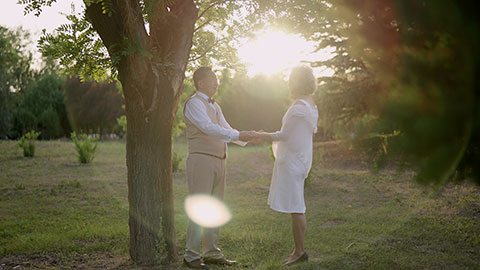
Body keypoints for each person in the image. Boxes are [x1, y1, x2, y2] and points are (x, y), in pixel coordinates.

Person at [183, 66, 254, 269]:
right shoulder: (194, 104)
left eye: (216, 78)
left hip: (219, 160)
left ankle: (212, 252)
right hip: (201, 161)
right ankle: (191, 256)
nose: (216, 82)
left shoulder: (215, 105)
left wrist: (245, 137)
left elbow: (226, 128)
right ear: (200, 82)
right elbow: (207, 127)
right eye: (212, 78)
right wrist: (239, 135)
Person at [254, 65, 319, 266]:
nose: (289, 83)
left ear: (296, 82)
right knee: (297, 205)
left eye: (291, 80)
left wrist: (262, 136)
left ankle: (299, 251)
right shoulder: (310, 104)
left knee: (297, 206)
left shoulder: (299, 107)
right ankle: (298, 249)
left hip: (293, 162)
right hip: (301, 159)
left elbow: (284, 135)